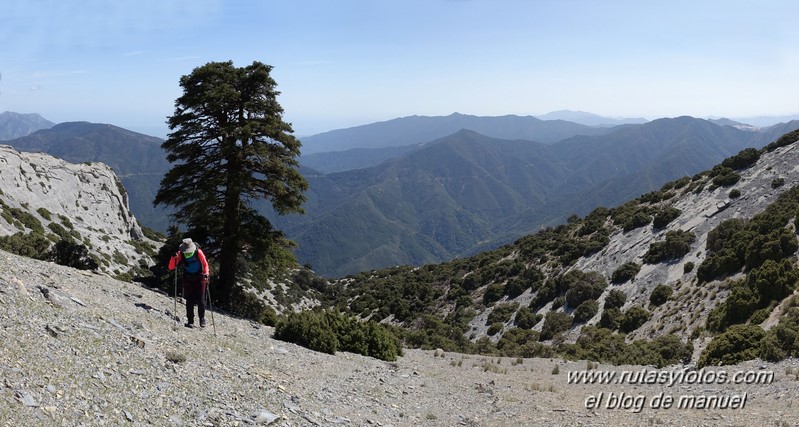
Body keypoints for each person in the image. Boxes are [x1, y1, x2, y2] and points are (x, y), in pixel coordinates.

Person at [168, 238, 210, 328]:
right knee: (189, 300)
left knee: (201, 299)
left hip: (200, 277)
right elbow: (171, 267)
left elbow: (205, 264)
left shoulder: (198, 252)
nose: (187, 253)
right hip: (188, 278)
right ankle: (190, 321)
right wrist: (173, 258)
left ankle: (202, 318)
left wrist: (206, 273)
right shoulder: (180, 254)